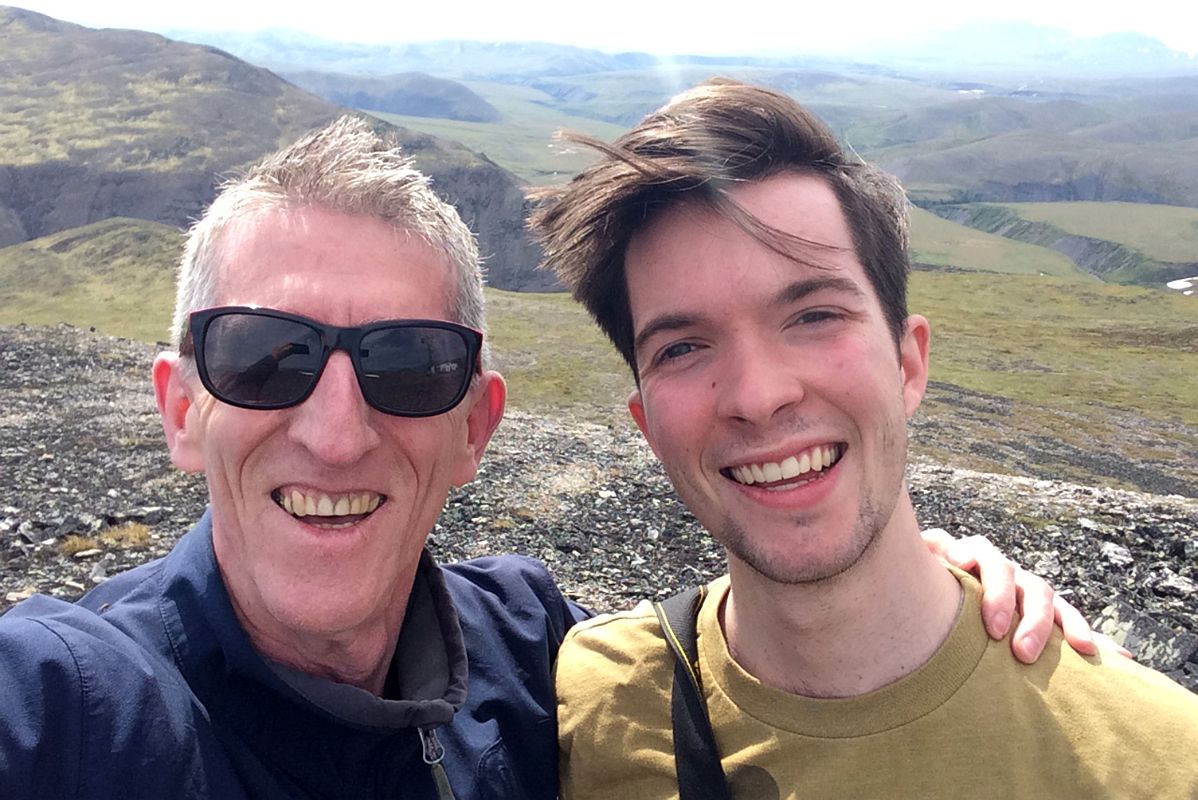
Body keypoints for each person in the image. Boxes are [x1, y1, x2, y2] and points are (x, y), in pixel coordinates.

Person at [0, 116, 1091, 800]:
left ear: (475, 426)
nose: (334, 430)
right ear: (181, 406)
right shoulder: (81, 704)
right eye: (264, 357)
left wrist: (918, 588)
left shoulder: (536, 650)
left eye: (410, 366)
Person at [531, 79, 1198, 799]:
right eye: (683, 348)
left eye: (814, 315)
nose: (758, 397)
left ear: (909, 363)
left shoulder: (1160, 759)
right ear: (648, 428)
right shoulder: (588, 705)